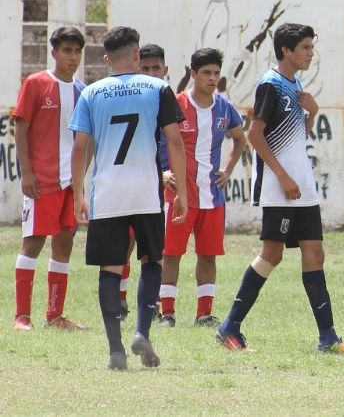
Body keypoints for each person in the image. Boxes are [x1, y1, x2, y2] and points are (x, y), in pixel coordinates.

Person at [214, 23, 344, 356]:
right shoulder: (270, 85)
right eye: (306, 48)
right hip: (280, 187)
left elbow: (297, 136)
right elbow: (255, 134)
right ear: (286, 50)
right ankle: (230, 327)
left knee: (315, 254)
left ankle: (328, 338)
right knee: (272, 254)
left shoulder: (294, 83)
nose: (311, 53)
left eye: (312, 47)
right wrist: (282, 177)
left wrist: (312, 112)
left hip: (302, 188)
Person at [69, 26, 189, 370]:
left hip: (107, 192)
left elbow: (80, 149)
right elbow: (174, 142)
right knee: (152, 261)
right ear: (137, 55)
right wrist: (180, 190)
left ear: (107, 60)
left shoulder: (91, 92)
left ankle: (115, 351)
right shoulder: (159, 88)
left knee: (110, 267)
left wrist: (79, 194)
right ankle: (141, 331)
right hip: (146, 191)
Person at [157, 48, 246, 328]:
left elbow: (240, 139)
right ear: (193, 74)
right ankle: (166, 313)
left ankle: (204, 314)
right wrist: (163, 171)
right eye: (206, 73)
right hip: (180, 195)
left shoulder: (224, 107)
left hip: (213, 196)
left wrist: (228, 170)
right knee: (171, 253)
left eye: (216, 73)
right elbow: (158, 141)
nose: (212, 78)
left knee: (208, 254)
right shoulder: (176, 104)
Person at [11, 27, 87, 331]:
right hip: (41, 180)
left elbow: (85, 141)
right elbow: (21, 127)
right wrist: (27, 172)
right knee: (33, 242)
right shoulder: (36, 83)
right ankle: (22, 316)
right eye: (66, 50)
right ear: (53, 52)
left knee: (65, 242)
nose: (72, 57)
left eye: (77, 51)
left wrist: (80, 185)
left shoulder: (84, 91)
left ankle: (55, 315)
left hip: (71, 183)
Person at [118, 43, 171, 320]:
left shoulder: (168, 98)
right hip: (134, 181)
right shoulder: (132, 98)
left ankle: (152, 303)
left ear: (165, 70)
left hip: (159, 188)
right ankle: (121, 299)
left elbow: (177, 143)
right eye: (145, 68)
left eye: (156, 68)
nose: (151, 73)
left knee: (154, 250)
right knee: (125, 244)